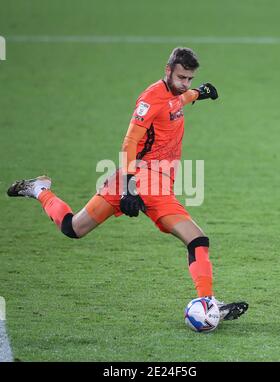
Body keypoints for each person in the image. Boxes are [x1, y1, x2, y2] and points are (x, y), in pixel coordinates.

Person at [7, 47, 248, 321]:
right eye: (181, 77)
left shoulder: (177, 94)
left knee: (73, 228)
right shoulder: (150, 99)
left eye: (190, 79)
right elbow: (130, 141)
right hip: (144, 179)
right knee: (197, 239)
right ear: (167, 71)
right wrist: (131, 187)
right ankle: (207, 303)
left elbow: (178, 102)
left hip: (138, 179)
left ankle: (39, 188)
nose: (185, 84)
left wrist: (200, 93)